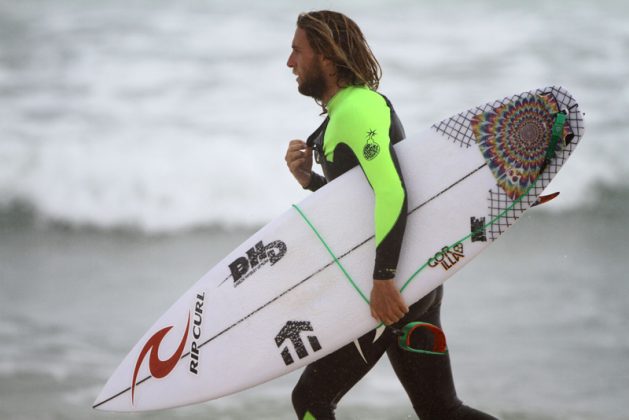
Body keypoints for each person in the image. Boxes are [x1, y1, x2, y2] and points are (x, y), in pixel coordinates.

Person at [284, 10, 498, 420]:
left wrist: (383, 279)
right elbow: (367, 202)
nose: (290, 63)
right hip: (412, 281)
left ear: (326, 57)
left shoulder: (357, 110)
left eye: (298, 51)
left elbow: (392, 190)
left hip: (394, 288)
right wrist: (310, 182)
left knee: (311, 400)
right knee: (440, 410)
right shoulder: (345, 111)